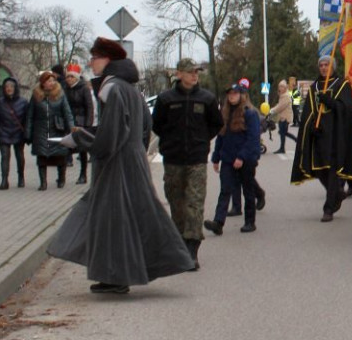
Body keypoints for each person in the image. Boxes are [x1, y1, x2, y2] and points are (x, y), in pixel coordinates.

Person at [48, 37, 194, 294]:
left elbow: (110, 136)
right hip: (131, 160)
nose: (91, 62)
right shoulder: (129, 89)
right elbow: (142, 128)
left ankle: (117, 276)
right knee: (138, 216)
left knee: (114, 220)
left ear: (108, 60)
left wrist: (80, 139)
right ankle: (153, 265)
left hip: (117, 164)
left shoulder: (112, 88)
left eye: (94, 57)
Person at [152, 58, 224, 267]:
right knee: (177, 202)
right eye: (190, 72)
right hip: (173, 159)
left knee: (195, 203)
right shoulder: (166, 99)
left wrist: (202, 141)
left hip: (196, 159)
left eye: (197, 72)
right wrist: (170, 141)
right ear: (179, 74)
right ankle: (180, 244)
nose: (195, 75)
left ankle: (192, 249)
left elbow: (216, 123)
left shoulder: (206, 99)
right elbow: (157, 125)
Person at [291, 55, 352, 222]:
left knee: (331, 171)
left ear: (333, 67)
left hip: (336, 136)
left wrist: (331, 102)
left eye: (326, 65)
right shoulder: (314, 87)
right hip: (319, 135)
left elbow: (348, 109)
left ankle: (328, 208)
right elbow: (309, 111)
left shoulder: (341, 85)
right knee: (319, 170)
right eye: (321, 65)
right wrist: (311, 127)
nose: (323, 68)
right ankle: (337, 193)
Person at [204, 83, 261, 235]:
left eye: (235, 93)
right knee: (225, 190)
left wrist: (242, 157)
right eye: (230, 94)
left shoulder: (250, 113)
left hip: (245, 159)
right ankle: (218, 222)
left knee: (248, 190)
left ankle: (250, 222)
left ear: (242, 95)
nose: (232, 96)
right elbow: (220, 137)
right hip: (228, 159)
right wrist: (216, 158)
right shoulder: (225, 114)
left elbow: (253, 138)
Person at [25, 70, 75, 190]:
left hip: (58, 129)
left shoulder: (60, 95)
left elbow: (67, 113)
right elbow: (30, 115)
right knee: (41, 157)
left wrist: (72, 128)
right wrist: (28, 132)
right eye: (49, 81)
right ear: (43, 83)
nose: (51, 83)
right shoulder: (36, 96)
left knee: (60, 156)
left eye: (53, 80)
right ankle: (43, 183)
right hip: (40, 131)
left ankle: (61, 178)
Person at [0, 77, 29, 189]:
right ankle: (4, 180)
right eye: (6, 87)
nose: (9, 89)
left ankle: (21, 177)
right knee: (5, 156)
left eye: (11, 86)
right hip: (4, 132)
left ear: (15, 88)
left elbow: (28, 120)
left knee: (19, 156)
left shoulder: (23, 102)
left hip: (18, 132)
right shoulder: (0, 102)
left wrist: (28, 134)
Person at [62, 64, 96, 184]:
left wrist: (87, 124)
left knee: (82, 149)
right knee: (65, 147)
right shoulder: (65, 89)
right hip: (68, 121)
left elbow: (89, 107)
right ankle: (62, 175)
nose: (69, 79)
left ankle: (83, 174)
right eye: (67, 77)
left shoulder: (84, 88)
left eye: (71, 77)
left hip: (81, 121)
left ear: (76, 77)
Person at [271, 79, 294, 154]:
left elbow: (281, 106)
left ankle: (282, 148)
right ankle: (283, 147)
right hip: (283, 117)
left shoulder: (286, 96)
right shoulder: (283, 95)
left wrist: (272, 110)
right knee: (283, 132)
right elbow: (279, 105)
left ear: (285, 88)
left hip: (285, 118)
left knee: (282, 133)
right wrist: (273, 109)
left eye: (281, 87)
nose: (280, 88)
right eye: (279, 87)